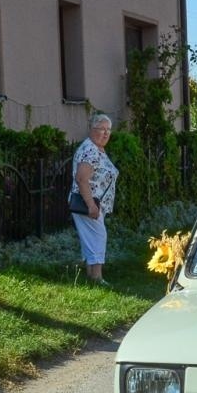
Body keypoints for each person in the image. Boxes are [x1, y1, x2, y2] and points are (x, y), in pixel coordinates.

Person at [69, 113, 118, 285]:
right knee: (98, 236)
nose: (105, 133)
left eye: (108, 130)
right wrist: (91, 205)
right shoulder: (90, 150)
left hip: (95, 203)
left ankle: (91, 275)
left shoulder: (96, 149)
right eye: (101, 129)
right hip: (88, 203)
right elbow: (82, 179)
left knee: (92, 237)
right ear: (92, 129)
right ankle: (96, 277)